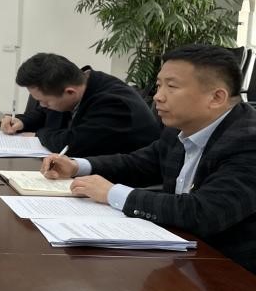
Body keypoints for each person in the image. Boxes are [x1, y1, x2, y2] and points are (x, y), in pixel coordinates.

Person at [42, 44, 256, 273]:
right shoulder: (180, 127)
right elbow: (140, 163)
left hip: (231, 272)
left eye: (171, 87)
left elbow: (204, 213)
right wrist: (77, 166)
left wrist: (112, 193)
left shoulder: (248, 141)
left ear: (216, 97)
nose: (158, 97)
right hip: (182, 258)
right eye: (159, 85)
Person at [1, 52, 161, 156]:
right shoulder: (77, 84)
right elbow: (48, 112)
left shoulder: (113, 104)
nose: (42, 106)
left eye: (45, 101)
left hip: (127, 183)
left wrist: (38, 134)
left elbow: (72, 144)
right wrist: (22, 122)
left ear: (70, 92)